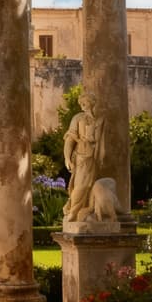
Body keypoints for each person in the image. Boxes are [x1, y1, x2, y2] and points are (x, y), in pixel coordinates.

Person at [62, 92, 101, 224]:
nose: (82, 105)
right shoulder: (78, 118)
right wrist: (67, 158)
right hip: (81, 156)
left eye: (85, 102)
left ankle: (87, 210)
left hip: (94, 157)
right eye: (81, 103)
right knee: (81, 185)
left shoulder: (98, 120)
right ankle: (73, 211)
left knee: (90, 185)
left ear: (91, 102)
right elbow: (70, 139)